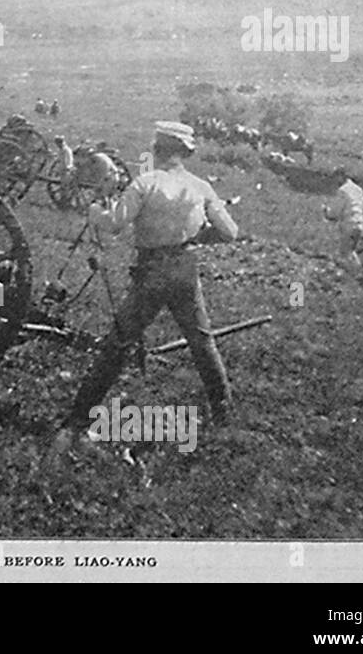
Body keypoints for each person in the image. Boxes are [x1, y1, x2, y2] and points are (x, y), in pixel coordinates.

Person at [53, 121, 238, 454]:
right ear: (185, 151)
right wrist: (196, 235)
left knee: (117, 346)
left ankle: (79, 421)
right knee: (201, 341)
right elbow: (229, 232)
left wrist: (95, 211)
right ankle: (222, 412)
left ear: (157, 149)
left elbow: (113, 225)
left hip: (152, 270)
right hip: (184, 267)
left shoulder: (145, 183)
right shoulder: (200, 186)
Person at [322, 167, 363, 267]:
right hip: (359, 225)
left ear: (341, 177)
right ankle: (359, 271)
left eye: (335, 178)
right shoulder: (359, 190)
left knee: (345, 254)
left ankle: (353, 274)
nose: (334, 181)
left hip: (348, 226)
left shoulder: (343, 190)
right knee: (351, 252)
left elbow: (336, 211)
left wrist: (326, 211)